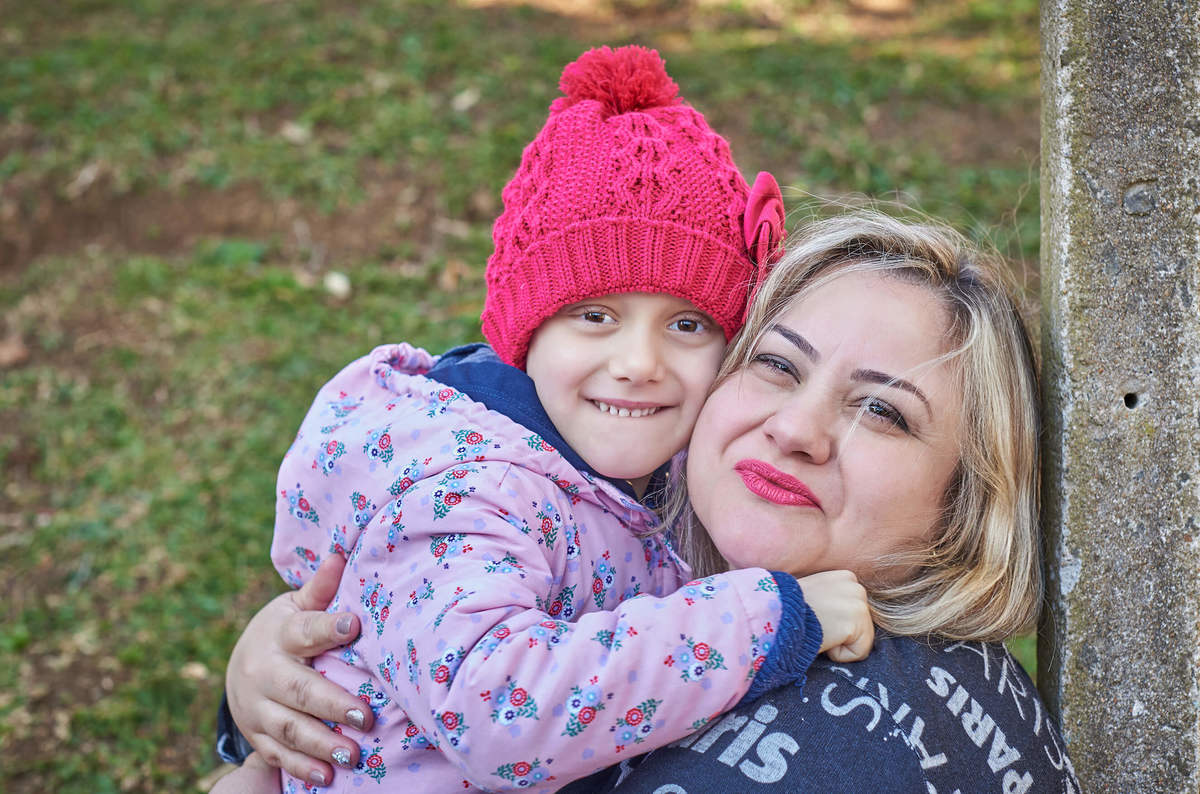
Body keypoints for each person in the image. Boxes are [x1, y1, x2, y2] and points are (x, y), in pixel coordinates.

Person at [221, 212, 1081, 792]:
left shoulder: (871, 736)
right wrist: (280, 675)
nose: (797, 428)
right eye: (777, 364)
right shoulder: (612, 529)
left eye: (883, 411)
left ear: (963, 511)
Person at [215, 46, 874, 793]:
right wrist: (763, 621)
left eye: (688, 325)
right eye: (595, 316)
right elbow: (502, 715)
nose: (640, 361)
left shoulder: (638, 469)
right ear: (526, 333)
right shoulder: (469, 492)